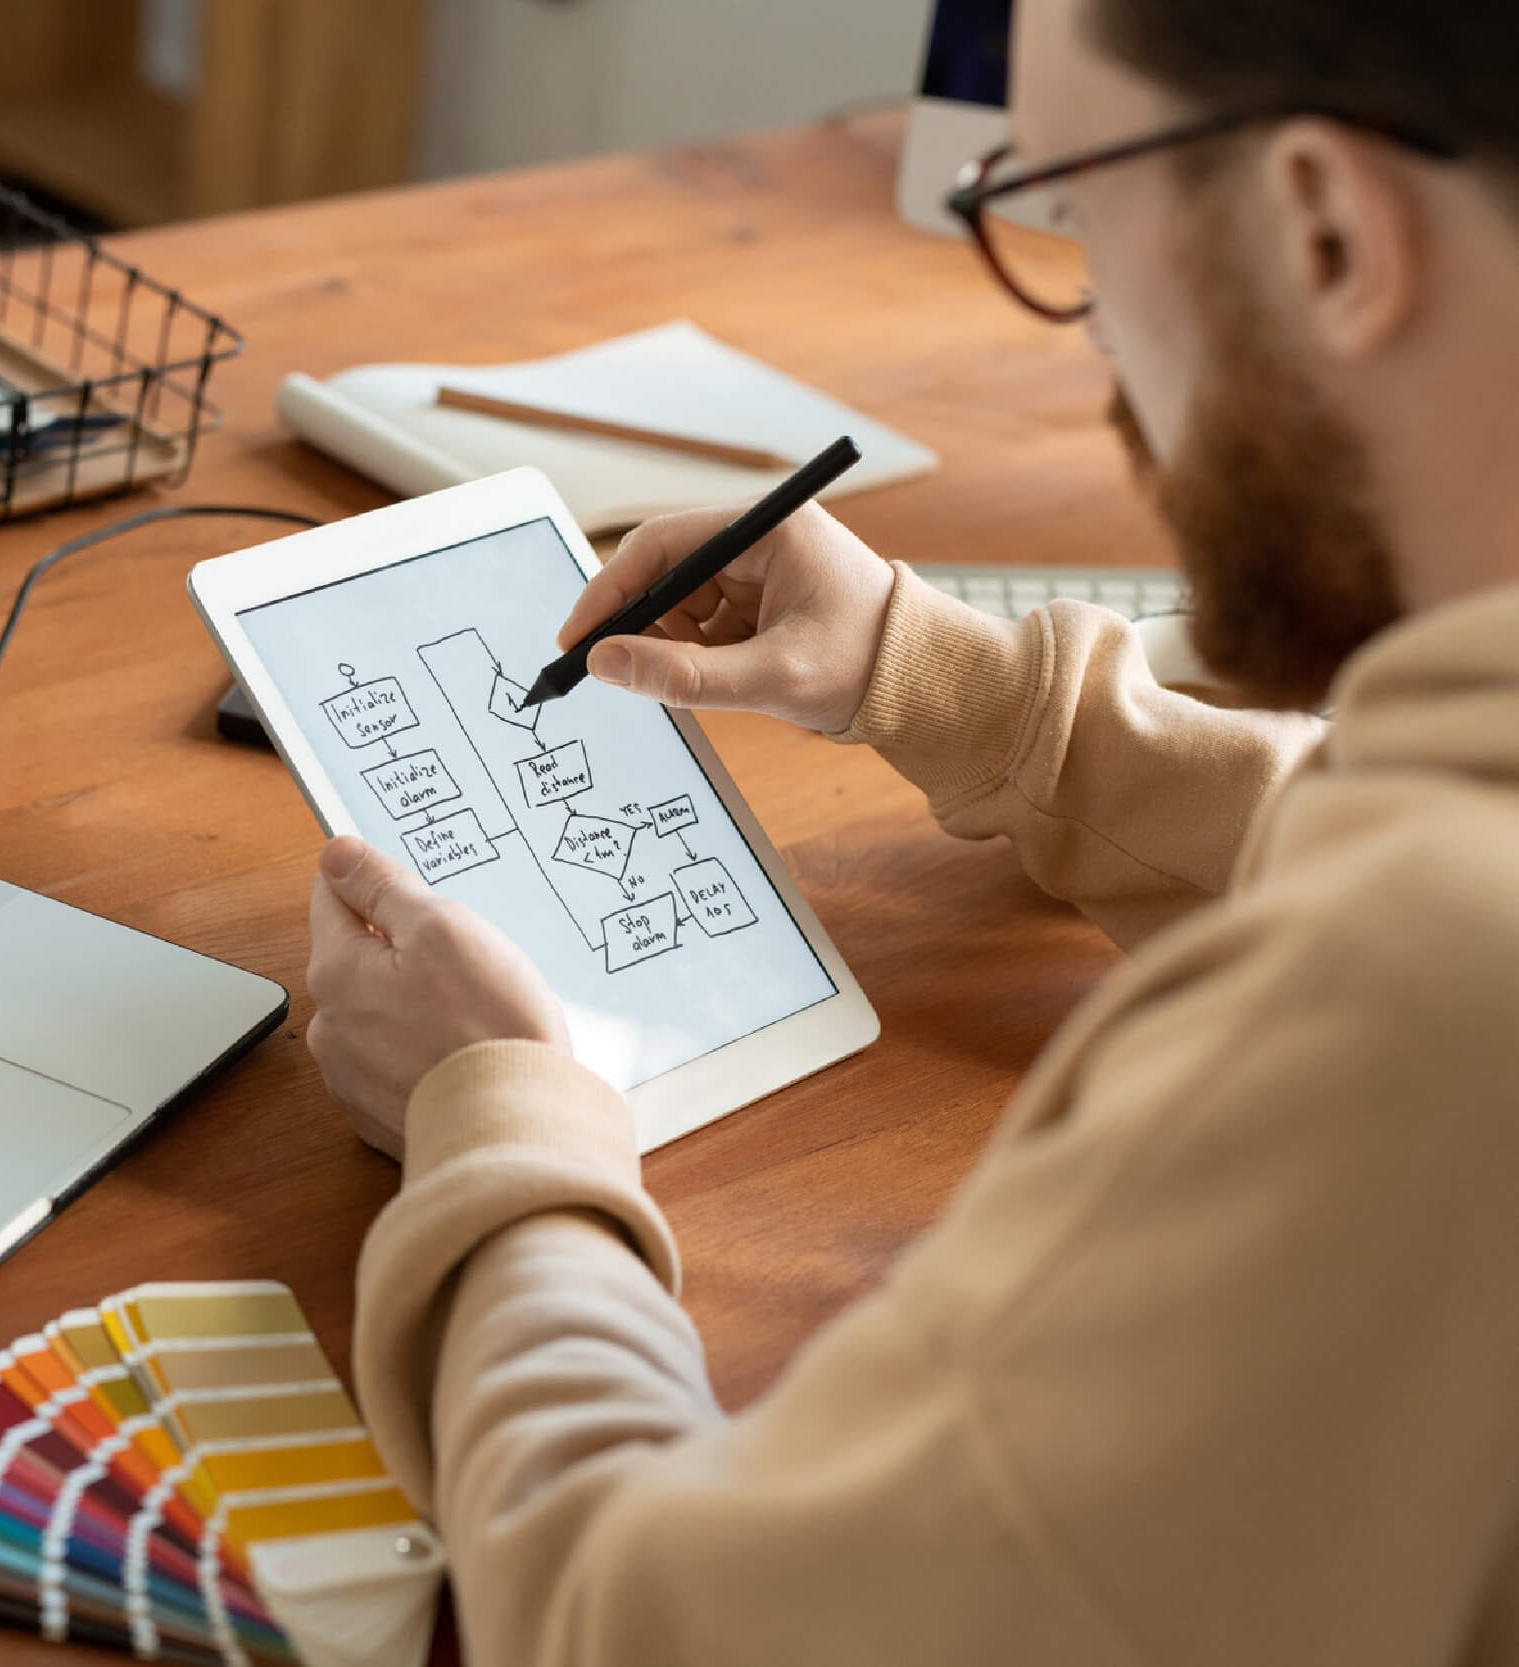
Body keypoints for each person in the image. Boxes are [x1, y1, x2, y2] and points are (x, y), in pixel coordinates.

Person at [302, 0, 1519, 1659]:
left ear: (1327, 232)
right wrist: (955, 685)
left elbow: (652, 1627)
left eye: (1075, 215)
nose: (1094, 338)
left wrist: (501, 1131)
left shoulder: (1414, 1017)